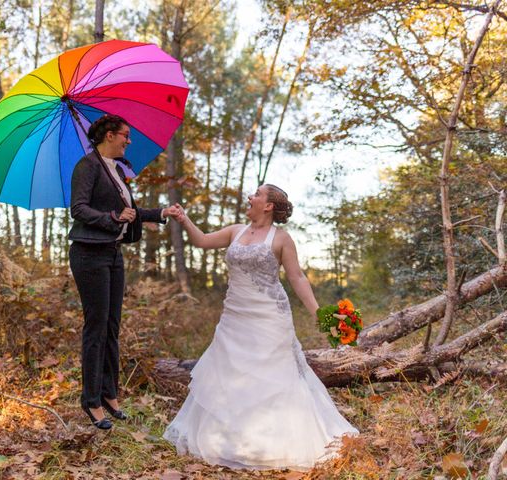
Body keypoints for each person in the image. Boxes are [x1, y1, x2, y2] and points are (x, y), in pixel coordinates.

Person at [162, 184, 358, 470]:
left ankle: (274, 442)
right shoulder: (235, 230)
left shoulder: (281, 239)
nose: (250, 197)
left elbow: (298, 278)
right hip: (234, 317)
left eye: (256, 194)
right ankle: (229, 439)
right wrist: (184, 219)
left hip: (270, 318)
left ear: (268, 206)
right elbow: (202, 241)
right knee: (228, 374)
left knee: (275, 377)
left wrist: (319, 313)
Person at [68, 114, 178, 430]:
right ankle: (91, 402)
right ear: (108, 135)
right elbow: (79, 209)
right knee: (96, 326)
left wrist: (161, 213)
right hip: (89, 254)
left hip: (113, 255)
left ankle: (109, 395)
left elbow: (130, 213)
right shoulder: (87, 166)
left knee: (112, 327)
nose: (129, 140)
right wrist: (113, 217)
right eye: (125, 135)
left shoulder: (117, 171)